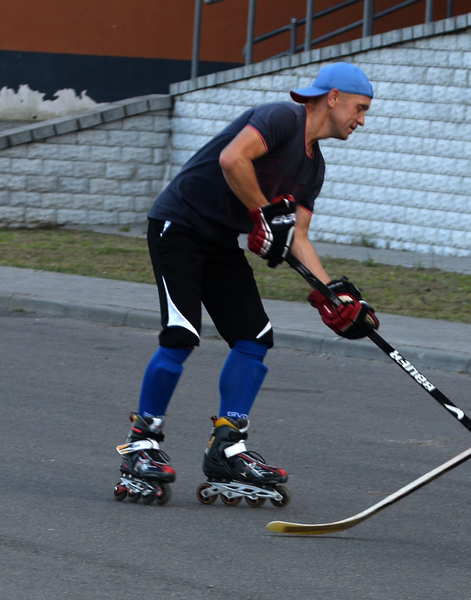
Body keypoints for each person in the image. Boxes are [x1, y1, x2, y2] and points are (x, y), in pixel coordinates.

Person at [113, 62, 380, 507]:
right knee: (181, 334)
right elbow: (232, 158)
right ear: (332, 98)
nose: (362, 120)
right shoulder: (280, 118)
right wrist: (263, 211)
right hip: (177, 226)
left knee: (254, 337)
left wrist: (331, 293)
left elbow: (298, 236)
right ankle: (142, 441)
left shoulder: (314, 169)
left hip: (218, 238)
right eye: (360, 107)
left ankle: (227, 446)